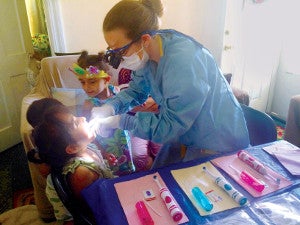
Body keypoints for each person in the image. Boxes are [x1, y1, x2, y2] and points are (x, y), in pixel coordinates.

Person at [91, 0, 250, 168]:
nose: (120, 59)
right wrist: (110, 107)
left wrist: (121, 122)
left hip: (217, 141)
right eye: (113, 51)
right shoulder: (149, 51)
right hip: (184, 132)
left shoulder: (184, 62)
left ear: (145, 39)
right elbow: (135, 91)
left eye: (121, 51)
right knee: (156, 175)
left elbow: (171, 125)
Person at [73, 50, 161, 171]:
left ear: (106, 79)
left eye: (92, 82)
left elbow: (129, 100)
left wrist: (138, 101)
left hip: (127, 137)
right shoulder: (89, 105)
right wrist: (103, 153)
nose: (86, 87)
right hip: (110, 146)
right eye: (82, 82)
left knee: (139, 161)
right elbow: (88, 135)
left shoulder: (116, 91)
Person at [32, 104, 114, 224]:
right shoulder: (81, 173)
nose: (83, 118)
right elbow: (94, 209)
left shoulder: (87, 146)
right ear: (73, 148)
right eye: (76, 123)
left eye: (76, 117)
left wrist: (105, 161)